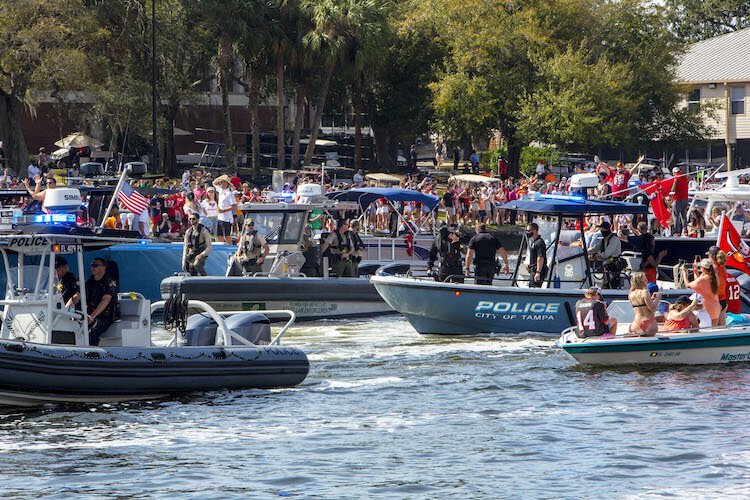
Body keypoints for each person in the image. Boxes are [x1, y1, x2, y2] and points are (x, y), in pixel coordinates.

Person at [85, 258, 118, 346]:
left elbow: (105, 300)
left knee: (92, 332)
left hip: (105, 317)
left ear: (104, 268)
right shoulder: (90, 282)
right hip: (90, 314)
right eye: (91, 265)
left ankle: (91, 354)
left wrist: (92, 316)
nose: (92, 268)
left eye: (95, 265)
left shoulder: (110, 283)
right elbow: (78, 296)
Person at [682, 258, 721, 326]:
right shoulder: (715, 277)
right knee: (714, 329)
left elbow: (688, 285)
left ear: (704, 268)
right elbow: (699, 281)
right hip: (716, 306)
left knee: (706, 329)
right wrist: (695, 271)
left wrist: (684, 274)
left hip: (706, 308)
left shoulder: (702, 280)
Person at [588, 221, 622, 289]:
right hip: (606, 265)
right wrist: (584, 252)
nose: (601, 231)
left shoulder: (614, 239)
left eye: (602, 229)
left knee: (611, 284)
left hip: (613, 265)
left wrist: (594, 256)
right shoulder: (604, 240)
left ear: (607, 229)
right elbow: (594, 249)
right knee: (605, 283)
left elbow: (606, 254)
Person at [213, 174, 237, 244]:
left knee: (227, 236)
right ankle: (222, 248)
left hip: (227, 218)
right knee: (219, 236)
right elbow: (214, 182)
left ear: (227, 183)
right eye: (221, 182)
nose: (221, 183)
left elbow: (234, 206)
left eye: (223, 182)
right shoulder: (220, 191)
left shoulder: (229, 193)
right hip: (220, 217)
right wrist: (221, 177)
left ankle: (230, 249)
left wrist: (223, 210)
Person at [709, 247, 728, 326]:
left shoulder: (713, 269)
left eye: (708, 256)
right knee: (722, 328)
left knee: (714, 329)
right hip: (723, 300)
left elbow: (715, 285)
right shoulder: (723, 268)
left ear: (712, 257)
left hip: (716, 300)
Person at [669, 165, 690, 235]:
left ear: (674, 172)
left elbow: (673, 189)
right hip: (685, 199)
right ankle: (685, 231)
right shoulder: (684, 177)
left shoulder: (676, 178)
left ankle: (677, 231)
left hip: (678, 199)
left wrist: (671, 191)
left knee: (676, 216)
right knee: (684, 216)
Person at [526, 222, 547, 287]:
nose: (528, 232)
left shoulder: (539, 243)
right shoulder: (532, 241)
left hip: (537, 270)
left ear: (534, 230)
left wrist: (538, 272)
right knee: (531, 287)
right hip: (533, 269)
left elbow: (540, 258)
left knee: (533, 287)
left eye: (529, 230)